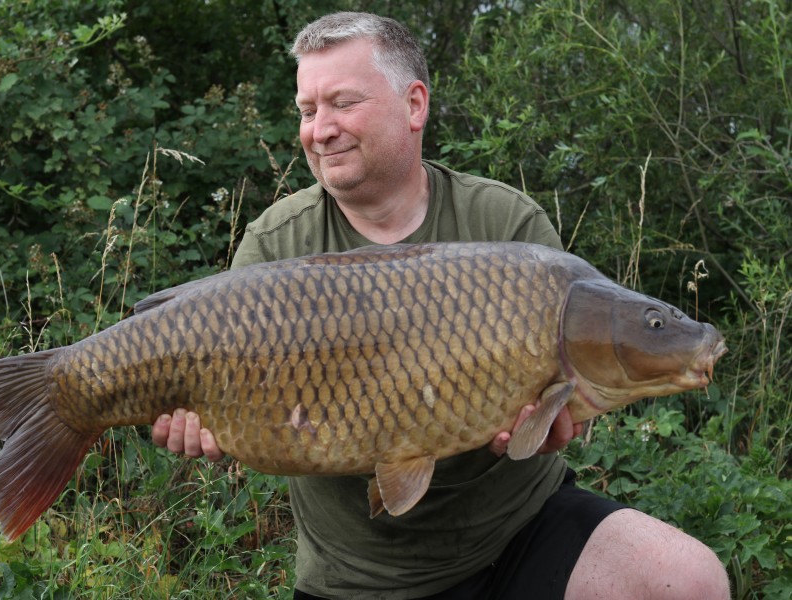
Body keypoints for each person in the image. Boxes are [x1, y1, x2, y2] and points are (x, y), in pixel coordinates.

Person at [152, 12, 730, 600]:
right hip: (357, 576)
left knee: (687, 578)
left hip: (519, 533)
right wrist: (205, 421)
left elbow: (554, 423)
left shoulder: (507, 226)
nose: (319, 130)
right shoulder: (276, 245)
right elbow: (250, 416)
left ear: (414, 105)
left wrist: (553, 424)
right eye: (307, 111)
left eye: (342, 104)